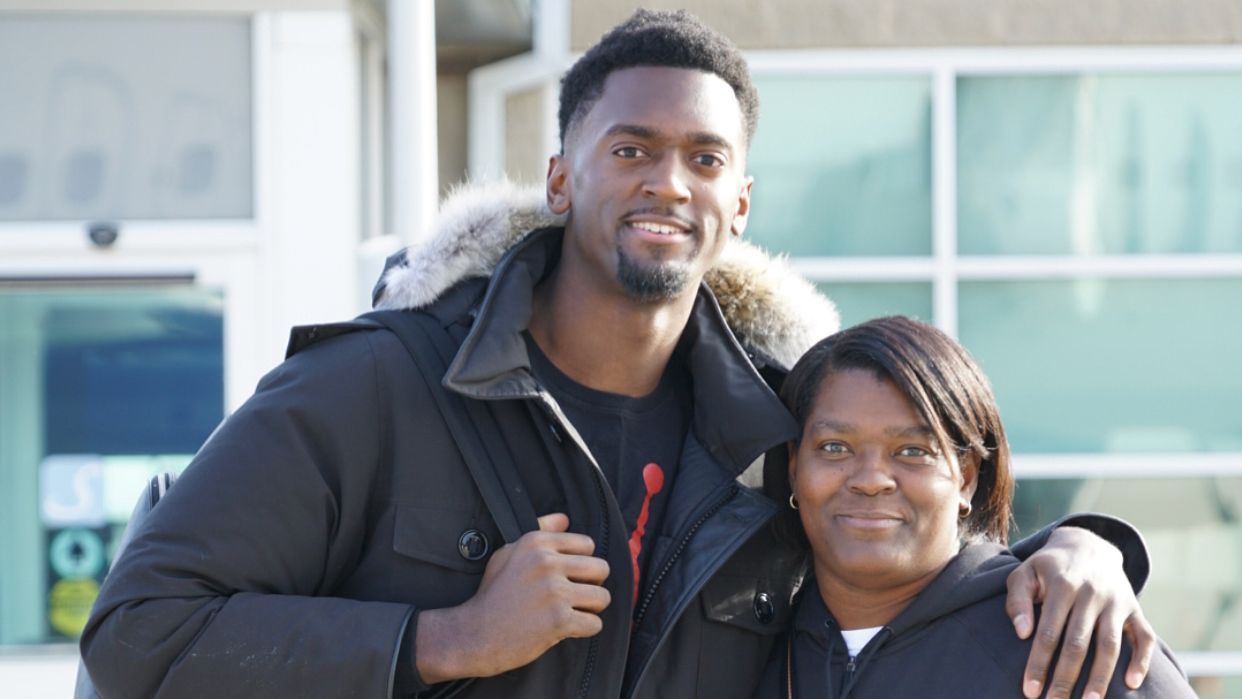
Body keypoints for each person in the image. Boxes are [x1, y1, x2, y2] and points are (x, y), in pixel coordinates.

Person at [82, 9, 1154, 699]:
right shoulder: (379, 386)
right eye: (630, 149)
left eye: (704, 159)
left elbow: (902, 556)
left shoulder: (774, 438)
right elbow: (137, 633)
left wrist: (1082, 550)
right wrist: (445, 638)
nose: (668, 184)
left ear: (739, 203)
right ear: (560, 178)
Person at [756, 316, 1194, 699]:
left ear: (966, 477)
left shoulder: (1070, 643)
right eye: (835, 447)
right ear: (795, 467)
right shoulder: (746, 653)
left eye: (912, 451)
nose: (871, 479)